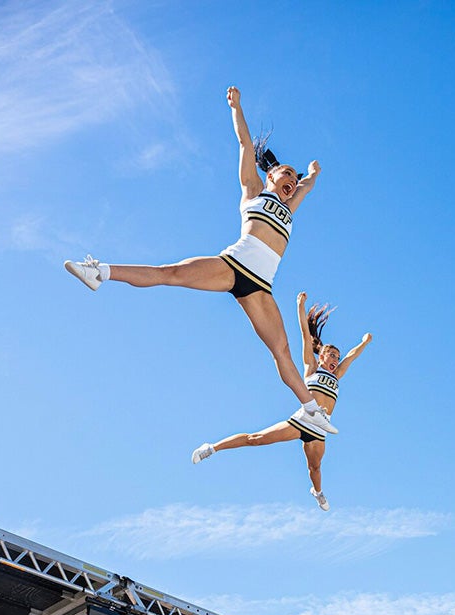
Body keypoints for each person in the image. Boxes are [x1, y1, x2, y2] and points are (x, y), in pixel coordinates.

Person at [64, 87, 334, 437]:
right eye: (287, 175)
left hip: (260, 288)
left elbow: (308, 186)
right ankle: (98, 271)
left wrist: (312, 174)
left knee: (281, 351)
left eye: (294, 181)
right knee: (170, 273)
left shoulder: (289, 207)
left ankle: (311, 410)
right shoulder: (253, 191)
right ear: (271, 176)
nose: (292, 181)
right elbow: (245, 145)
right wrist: (237, 108)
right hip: (232, 267)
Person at [192, 294, 372, 511]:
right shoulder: (312, 368)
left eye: (337, 357)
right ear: (322, 356)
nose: (335, 359)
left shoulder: (338, 374)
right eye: (331, 355)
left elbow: (351, 356)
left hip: (320, 430)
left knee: (315, 468)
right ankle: (212, 448)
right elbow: (306, 336)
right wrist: (300, 305)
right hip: (303, 420)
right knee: (256, 439)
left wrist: (364, 342)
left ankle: (318, 492)